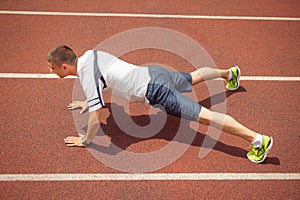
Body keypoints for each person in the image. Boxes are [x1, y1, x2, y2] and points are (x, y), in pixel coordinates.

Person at [47, 45, 273, 164]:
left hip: (156, 90)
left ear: (65, 67)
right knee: (193, 77)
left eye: (52, 67)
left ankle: (257, 140)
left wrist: (86, 140)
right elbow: (105, 76)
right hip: (154, 72)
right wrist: (90, 101)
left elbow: (96, 117)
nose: (51, 71)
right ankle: (229, 74)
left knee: (205, 117)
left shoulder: (86, 77)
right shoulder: (90, 55)